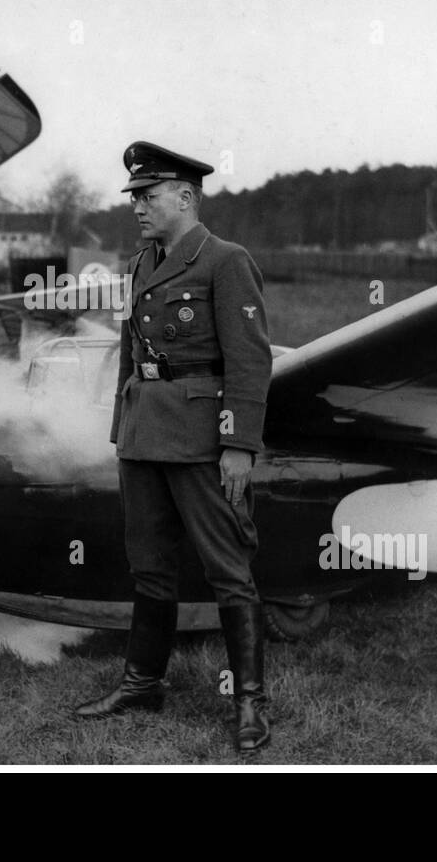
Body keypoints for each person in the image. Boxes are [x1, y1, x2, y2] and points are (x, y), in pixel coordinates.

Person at [73, 141, 274, 752]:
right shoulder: (140, 265)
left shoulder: (224, 260)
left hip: (200, 439)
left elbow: (249, 359)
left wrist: (238, 445)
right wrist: (120, 430)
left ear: (184, 197)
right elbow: (130, 357)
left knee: (228, 570)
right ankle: (142, 682)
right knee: (149, 565)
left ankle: (250, 702)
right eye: (134, 195)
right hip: (143, 435)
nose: (136, 206)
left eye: (147, 195)